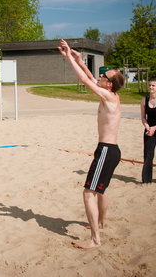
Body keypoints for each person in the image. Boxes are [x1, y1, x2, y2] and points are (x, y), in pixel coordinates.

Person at [58, 39, 125, 249]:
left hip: (106, 151)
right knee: (100, 191)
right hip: (111, 151)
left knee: (88, 193)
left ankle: (96, 239)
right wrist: (80, 59)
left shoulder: (108, 97)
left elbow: (85, 81)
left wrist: (69, 57)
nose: (100, 77)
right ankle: (101, 224)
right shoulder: (112, 95)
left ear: (109, 84)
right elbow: (90, 77)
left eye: (104, 76)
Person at [140, 79, 156, 183]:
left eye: (153, 86)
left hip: (154, 128)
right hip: (149, 130)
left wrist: (154, 127)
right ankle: (146, 180)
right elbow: (143, 117)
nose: (151, 87)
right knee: (148, 155)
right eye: (149, 85)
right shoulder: (144, 100)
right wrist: (147, 127)